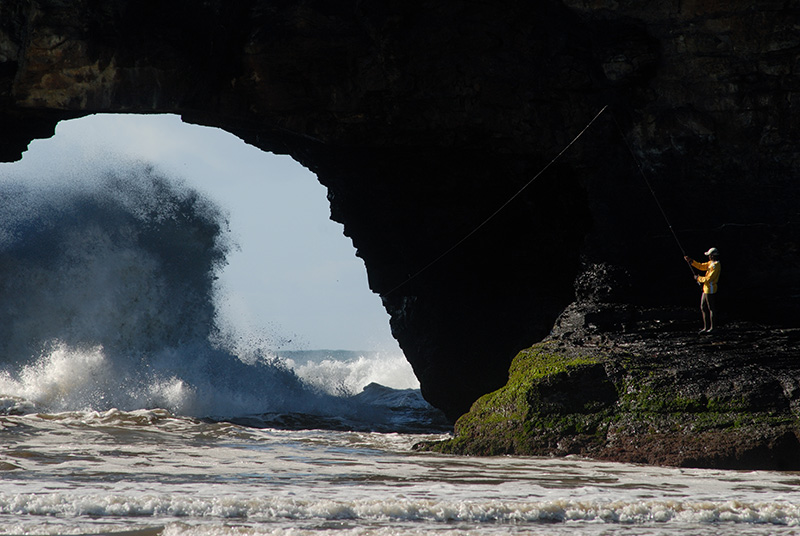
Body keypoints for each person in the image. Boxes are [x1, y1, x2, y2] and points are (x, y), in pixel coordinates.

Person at [684, 248, 721, 333]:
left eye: (709, 255)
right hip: (706, 289)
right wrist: (691, 261)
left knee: (711, 308)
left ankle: (713, 328)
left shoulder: (716, 265)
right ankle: (706, 327)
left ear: (712, 256)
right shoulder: (711, 263)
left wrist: (698, 278)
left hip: (710, 289)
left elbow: (709, 279)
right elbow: (701, 266)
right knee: (703, 307)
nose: (708, 257)